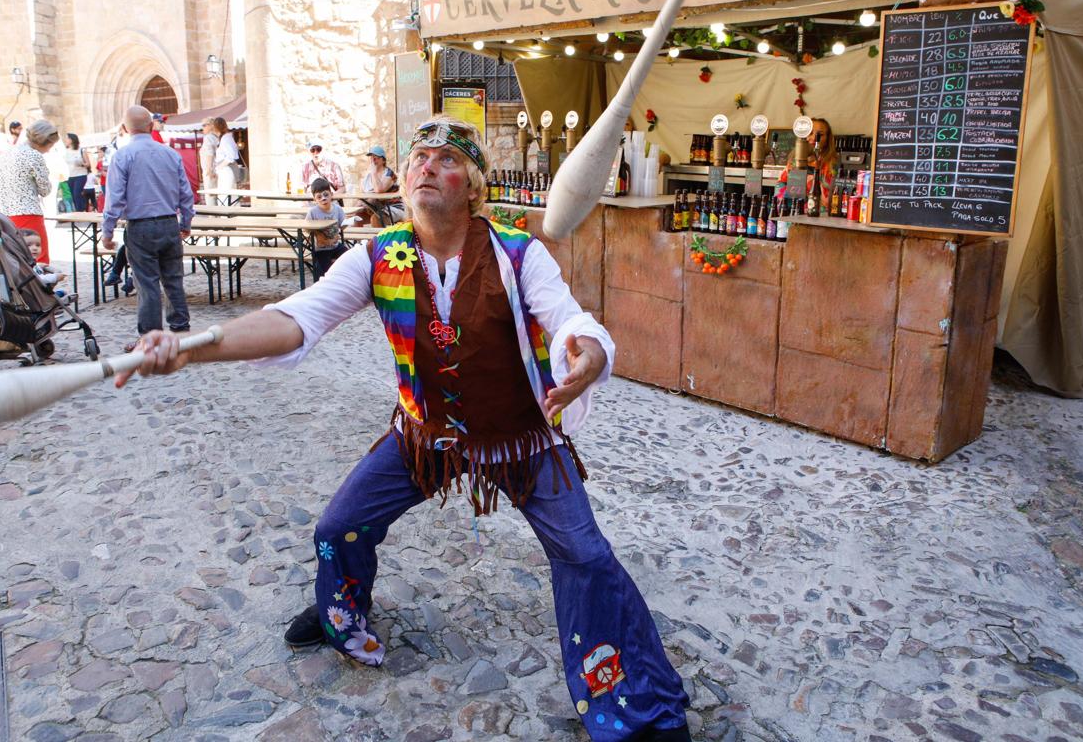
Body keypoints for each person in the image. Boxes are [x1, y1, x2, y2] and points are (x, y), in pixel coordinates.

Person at [116, 115, 693, 742]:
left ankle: (638, 709)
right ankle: (343, 608)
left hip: (522, 438)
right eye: (419, 157)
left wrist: (589, 356)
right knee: (339, 526)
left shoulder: (518, 254)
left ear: (473, 186)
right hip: (426, 437)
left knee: (586, 554)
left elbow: (569, 319)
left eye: (446, 159)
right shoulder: (376, 256)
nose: (426, 166)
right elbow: (294, 320)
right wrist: (191, 346)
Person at [101, 105, 194, 346]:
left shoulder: (122, 156)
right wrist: (186, 220)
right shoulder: (170, 154)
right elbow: (186, 192)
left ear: (124, 128)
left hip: (140, 225)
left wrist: (107, 231)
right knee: (173, 278)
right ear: (151, 126)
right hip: (168, 222)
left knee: (147, 282)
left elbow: (115, 198)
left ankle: (151, 336)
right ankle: (181, 329)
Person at [0, 120, 58, 264]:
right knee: (37, 258)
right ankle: (41, 287)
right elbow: (45, 189)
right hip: (28, 213)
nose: (49, 149)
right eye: (50, 145)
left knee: (14, 259)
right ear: (44, 142)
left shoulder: (8, 152)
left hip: (4, 213)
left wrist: (5, 188)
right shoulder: (34, 156)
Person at [776, 117, 837, 203]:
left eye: (820, 135)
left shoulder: (832, 164)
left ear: (827, 139)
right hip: (793, 212)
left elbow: (832, 197)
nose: (814, 138)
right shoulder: (794, 162)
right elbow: (780, 184)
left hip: (820, 213)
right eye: (810, 133)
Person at [306, 177, 345, 280]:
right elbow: (307, 228)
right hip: (321, 249)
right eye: (319, 197)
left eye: (326, 195)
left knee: (349, 257)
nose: (323, 198)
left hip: (336, 246)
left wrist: (347, 224)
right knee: (324, 273)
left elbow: (343, 225)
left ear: (331, 194)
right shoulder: (312, 212)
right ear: (314, 199)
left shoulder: (338, 209)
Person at [355, 145, 404, 226]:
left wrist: (374, 172)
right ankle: (357, 238)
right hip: (375, 208)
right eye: (371, 158)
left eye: (376, 158)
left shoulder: (389, 174)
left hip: (394, 207)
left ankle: (379, 239)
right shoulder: (368, 177)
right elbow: (363, 194)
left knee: (376, 219)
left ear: (383, 160)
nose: (373, 160)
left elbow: (379, 190)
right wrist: (357, 207)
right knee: (358, 217)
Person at [213, 117, 243, 190]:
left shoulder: (226, 138)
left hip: (226, 169)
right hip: (224, 169)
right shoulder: (224, 138)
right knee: (225, 195)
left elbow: (230, 157)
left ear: (216, 127)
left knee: (225, 195)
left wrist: (219, 167)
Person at [64, 133, 90, 212]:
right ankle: (81, 209)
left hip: (80, 175)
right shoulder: (65, 151)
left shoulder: (81, 150)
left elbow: (88, 164)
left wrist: (81, 164)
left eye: (67, 138)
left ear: (71, 140)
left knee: (77, 193)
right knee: (73, 195)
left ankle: (80, 210)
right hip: (70, 175)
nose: (65, 140)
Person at [198, 118, 220, 204]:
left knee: (210, 196)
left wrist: (209, 169)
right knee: (217, 195)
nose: (202, 127)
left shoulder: (208, 137)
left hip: (210, 170)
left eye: (204, 125)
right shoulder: (216, 137)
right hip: (217, 169)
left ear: (211, 125)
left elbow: (209, 154)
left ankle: (212, 216)